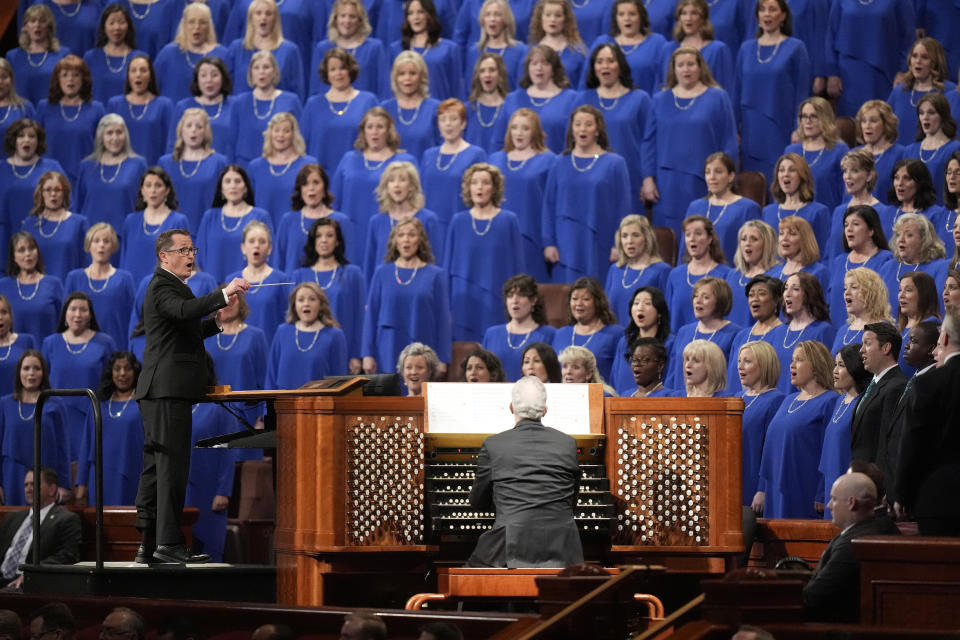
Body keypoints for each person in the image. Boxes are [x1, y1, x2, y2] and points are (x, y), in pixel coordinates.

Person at [134, 229, 250, 564]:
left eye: (193, 249)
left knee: (159, 468)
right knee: (170, 468)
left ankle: (151, 545)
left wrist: (217, 320)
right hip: (165, 390)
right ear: (163, 256)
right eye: (184, 250)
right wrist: (223, 292)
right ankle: (168, 543)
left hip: (165, 391)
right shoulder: (161, 286)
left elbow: (187, 328)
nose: (191, 255)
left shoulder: (173, 288)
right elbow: (184, 312)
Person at [466, 375, 583, 567]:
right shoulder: (568, 444)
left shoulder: (493, 445)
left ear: (511, 408)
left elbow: (478, 502)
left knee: (464, 585)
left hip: (509, 544)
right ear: (545, 411)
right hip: (564, 546)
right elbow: (572, 503)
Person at [642, 47, 737, 234]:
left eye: (691, 64)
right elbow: (649, 142)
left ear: (700, 68)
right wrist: (647, 178)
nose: (686, 69)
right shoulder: (660, 99)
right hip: (667, 184)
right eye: (681, 65)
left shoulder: (718, 97)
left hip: (705, 181)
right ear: (673, 69)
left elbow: (729, 140)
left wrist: (725, 178)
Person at [753, 340, 836, 519]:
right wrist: (762, 488)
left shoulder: (829, 401)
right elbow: (769, 449)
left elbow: (828, 450)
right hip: (776, 488)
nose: (791, 365)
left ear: (815, 366)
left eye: (799, 360)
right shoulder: (788, 400)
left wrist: (822, 492)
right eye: (792, 360)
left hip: (804, 487)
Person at [802, 472, 901, 622]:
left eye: (834, 499)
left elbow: (814, 598)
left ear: (851, 503)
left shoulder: (853, 544)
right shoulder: (880, 527)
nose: (828, 505)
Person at [896, 308, 960, 533]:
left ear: (944, 337)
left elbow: (914, 440)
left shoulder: (928, 382)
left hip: (938, 497)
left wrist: (902, 494)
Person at [361, 218, 451, 377]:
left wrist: (442, 358)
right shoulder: (382, 273)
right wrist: (367, 354)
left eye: (411, 234)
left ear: (421, 240)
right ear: (395, 241)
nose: (406, 239)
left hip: (423, 347)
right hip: (387, 348)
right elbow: (371, 315)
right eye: (401, 235)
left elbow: (443, 319)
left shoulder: (436, 275)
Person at [444, 164, 522, 342]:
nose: (479, 187)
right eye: (474, 182)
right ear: (468, 187)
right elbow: (447, 267)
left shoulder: (509, 220)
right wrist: (446, 307)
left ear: (494, 188)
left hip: (497, 300)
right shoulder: (458, 221)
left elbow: (518, 269)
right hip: (463, 302)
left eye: (485, 182)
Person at [332, 108, 420, 266]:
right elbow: (334, 201)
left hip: (387, 234)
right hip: (351, 234)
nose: (374, 132)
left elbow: (416, 201)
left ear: (388, 131)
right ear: (363, 131)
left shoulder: (405, 161)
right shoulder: (348, 159)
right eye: (370, 127)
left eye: (380, 127)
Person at [734, 0, 810, 180]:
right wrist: (734, 130)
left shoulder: (796, 48)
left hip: (780, 127)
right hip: (751, 129)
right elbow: (736, 91)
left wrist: (798, 128)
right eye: (762, 10)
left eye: (772, 9)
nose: (767, 14)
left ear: (783, 16)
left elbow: (802, 94)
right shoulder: (746, 48)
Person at [41, 291, 118, 458]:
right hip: (57, 418)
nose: (77, 314)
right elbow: (42, 384)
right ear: (65, 313)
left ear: (90, 315)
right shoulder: (50, 343)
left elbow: (113, 383)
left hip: (92, 417)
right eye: (73, 309)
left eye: (83, 309)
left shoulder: (105, 342)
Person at [580, 42, 651, 214]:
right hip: (591, 177)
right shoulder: (583, 99)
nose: (605, 66)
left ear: (620, 65)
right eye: (599, 61)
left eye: (610, 60)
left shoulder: (640, 99)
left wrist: (648, 178)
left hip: (631, 176)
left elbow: (649, 141)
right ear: (593, 67)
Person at [488, 108, 556, 282]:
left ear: (534, 132)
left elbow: (552, 202)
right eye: (515, 127)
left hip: (531, 236)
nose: (519, 133)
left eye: (525, 128)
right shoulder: (495, 159)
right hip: (498, 235)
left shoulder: (549, 160)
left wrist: (549, 241)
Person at [878, 321, 938, 508]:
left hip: (915, 493)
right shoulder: (914, 380)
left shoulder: (933, 384)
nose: (906, 345)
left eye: (912, 341)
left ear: (931, 349)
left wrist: (903, 492)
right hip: (894, 487)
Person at [291, 219, 365, 371]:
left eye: (329, 235)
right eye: (318, 236)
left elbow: (360, 317)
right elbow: (293, 318)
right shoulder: (299, 275)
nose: (324, 240)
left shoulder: (352, 274)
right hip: (307, 353)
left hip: (343, 352)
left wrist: (356, 355)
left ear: (337, 241)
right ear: (313, 241)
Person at [75, 351, 144, 507]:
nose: (122, 374)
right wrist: (81, 484)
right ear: (110, 373)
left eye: (127, 368)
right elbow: (86, 446)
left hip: (132, 475)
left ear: (135, 372)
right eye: (117, 369)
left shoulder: (143, 404)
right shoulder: (98, 404)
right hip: (99, 477)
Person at [824, 0, 915, 118]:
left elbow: (908, 36)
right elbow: (831, 34)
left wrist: (903, 70)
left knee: (879, 122)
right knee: (848, 125)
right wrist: (832, 73)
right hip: (848, 76)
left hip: (884, 75)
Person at [0, 351, 70, 506]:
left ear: (43, 373)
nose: (31, 373)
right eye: (26, 368)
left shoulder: (55, 404)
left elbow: (63, 447)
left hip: (45, 474)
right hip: (12, 475)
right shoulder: (4, 404)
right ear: (19, 372)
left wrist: (64, 484)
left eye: (36, 368)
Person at [420, 99, 488, 252]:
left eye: (453, 119)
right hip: (429, 229)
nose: (448, 124)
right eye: (443, 120)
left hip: (461, 227)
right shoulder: (428, 155)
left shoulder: (476, 154)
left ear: (463, 123)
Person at [302, 49, 378, 177]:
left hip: (359, 174)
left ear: (350, 70)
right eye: (332, 69)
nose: (338, 73)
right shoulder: (313, 104)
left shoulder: (368, 101)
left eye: (342, 68)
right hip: (320, 180)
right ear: (326, 73)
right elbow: (302, 145)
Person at [0, 468, 80, 588]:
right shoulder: (11, 518)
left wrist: (32, 572)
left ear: (52, 489)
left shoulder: (66, 519)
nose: (28, 489)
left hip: (28, 583)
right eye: (26, 485)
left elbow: (67, 556)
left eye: (33, 484)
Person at [362, 161, 440, 280]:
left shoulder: (428, 219)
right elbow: (370, 267)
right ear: (386, 187)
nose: (396, 185)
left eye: (402, 180)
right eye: (391, 180)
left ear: (411, 186)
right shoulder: (376, 222)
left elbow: (434, 262)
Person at [819, 344, 871, 521]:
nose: (835, 370)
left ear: (855, 367)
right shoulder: (839, 400)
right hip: (831, 484)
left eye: (841, 365)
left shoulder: (863, 403)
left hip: (850, 487)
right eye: (835, 364)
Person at [0, 119, 65, 260]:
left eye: (31, 136)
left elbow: (66, 202)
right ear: (14, 140)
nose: (26, 140)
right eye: (21, 136)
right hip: (4, 236)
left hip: (43, 235)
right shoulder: (1, 168)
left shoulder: (52, 167)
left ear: (38, 141)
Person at [196, 164, 273, 282]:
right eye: (227, 181)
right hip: (214, 291)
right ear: (221, 188)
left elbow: (269, 255)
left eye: (238, 181)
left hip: (247, 287)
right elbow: (199, 257)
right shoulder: (209, 217)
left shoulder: (260, 216)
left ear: (246, 187)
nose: (233, 186)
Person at [158, 108, 230, 234]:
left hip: (208, 231)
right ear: (181, 130)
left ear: (206, 131)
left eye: (199, 126)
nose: (193, 130)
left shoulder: (219, 162)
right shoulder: (165, 163)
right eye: (189, 125)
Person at [36, 56, 104, 185]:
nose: (70, 79)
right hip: (50, 182)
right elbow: (35, 145)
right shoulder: (44, 107)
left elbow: (104, 147)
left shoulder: (97, 109)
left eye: (76, 75)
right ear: (57, 80)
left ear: (84, 79)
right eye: (65, 75)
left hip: (86, 180)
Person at [265, 281, 348, 388]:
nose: (306, 303)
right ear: (294, 305)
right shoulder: (282, 331)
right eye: (301, 300)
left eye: (312, 299)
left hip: (319, 402)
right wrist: (269, 404)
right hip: (283, 402)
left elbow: (339, 381)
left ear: (321, 305)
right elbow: (271, 376)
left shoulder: (335, 335)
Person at [499, 45, 581, 154]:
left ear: (554, 69)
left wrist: (595, 157)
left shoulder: (571, 99)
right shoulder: (512, 99)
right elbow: (499, 141)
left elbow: (579, 144)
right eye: (534, 63)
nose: (539, 68)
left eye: (545, 63)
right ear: (528, 68)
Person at [75, 115, 149, 234]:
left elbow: (146, 204)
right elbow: (78, 204)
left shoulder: (138, 164)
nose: (115, 138)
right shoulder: (86, 165)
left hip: (125, 234)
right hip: (91, 238)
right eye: (109, 133)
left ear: (126, 135)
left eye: (119, 132)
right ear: (101, 136)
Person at [120, 167, 193, 285]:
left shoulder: (178, 221)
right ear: (142, 190)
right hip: (133, 285)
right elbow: (123, 259)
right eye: (148, 185)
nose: (153, 190)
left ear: (167, 190)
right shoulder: (131, 220)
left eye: (158, 185)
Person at [685, 152, 761, 263]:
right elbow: (684, 251)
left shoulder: (748, 208)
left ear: (730, 176)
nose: (712, 177)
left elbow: (757, 250)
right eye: (708, 172)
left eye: (718, 172)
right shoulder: (695, 207)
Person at [849, 322, 907, 467]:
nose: (861, 350)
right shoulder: (874, 382)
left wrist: (880, 483)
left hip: (875, 479)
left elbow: (887, 441)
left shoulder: (897, 386)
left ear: (886, 348)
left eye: (867, 344)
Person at [669, 276, 741, 390]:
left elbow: (733, 378)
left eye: (705, 297)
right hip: (680, 402)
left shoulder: (735, 334)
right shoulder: (684, 331)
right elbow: (672, 374)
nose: (698, 301)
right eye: (696, 296)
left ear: (720, 301)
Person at [276, 163, 349, 274]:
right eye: (305, 184)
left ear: (325, 188)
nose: (311, 188)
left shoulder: (341, 221)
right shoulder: (288, 220)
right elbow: (278, 263)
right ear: (300, 190)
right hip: (293, 289)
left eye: (316, 182)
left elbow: (348, 263)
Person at [246, 112, 317, 226]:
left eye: (286, 131)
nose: (281, 135)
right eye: (277, 130)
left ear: (294, 134)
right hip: (262, 235)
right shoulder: (255, 167)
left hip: (297, 229)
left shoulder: (308, 165)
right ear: (270, 133)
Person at [232, 52, 303, 166]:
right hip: (244, 165)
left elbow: (300, 137)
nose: (261, 72)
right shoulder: (239, 102)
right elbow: (231, 142)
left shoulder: (291, 100)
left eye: (266, 67)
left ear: (275, 72)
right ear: (251, 74)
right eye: (256, 68)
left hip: (282, 163)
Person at [482, 274, 556, 381]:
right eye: (510, 296)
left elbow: (554, 374)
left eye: (521, 295)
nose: (514, 301)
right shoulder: (492, 334)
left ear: (533, 300)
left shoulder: (549, 334)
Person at [226, 0, 304, 101]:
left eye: (268, 14)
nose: (263, 17)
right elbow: (226, 87)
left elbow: (297, 91)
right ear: (251, 18)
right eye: (258, 13)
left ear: (275, 19)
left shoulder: (290, 51)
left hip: (280, 114)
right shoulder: (236, 48)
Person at [226, 221, 289, 345]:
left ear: (270, 248)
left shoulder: (281, 280)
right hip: (239, 349)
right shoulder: (231, 280)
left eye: (262, 241)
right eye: (251, 241)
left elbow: (287, 321)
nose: (256, 245)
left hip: (270, 346)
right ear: (243, 248)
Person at [309, 0, 388, 99]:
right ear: (335, 19)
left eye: (352, 16)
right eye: (343, 16)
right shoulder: (322, 49)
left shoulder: (374, 48)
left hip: (367, 110)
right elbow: (316, 89)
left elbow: (384, 88)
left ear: (360, 20)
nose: (347, 21)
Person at [665, 215, 731, 332]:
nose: (692, 239)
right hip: (680, 344)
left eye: (698, 233)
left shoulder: (726, 274)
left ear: (709, 238)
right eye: (688, 234)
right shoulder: (675, 275)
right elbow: (667, 316)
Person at [736, 340, 783, 505]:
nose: (740, 366)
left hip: (753, 483)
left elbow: (771, 450)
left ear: (764, 365)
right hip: (731, 480)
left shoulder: (776, 400)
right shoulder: (736, 398)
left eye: (747, 361)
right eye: (739, 361)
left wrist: (763, 488)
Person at [154, 4, 230, 105]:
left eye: (202, 22)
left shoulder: (222, 54)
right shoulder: (168, 53)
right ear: (184, 25)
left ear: (209, 26)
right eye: (191, 22)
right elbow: (152, 87)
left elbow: (229, 90)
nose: (196, 27)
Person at [827, 152, 896, 263]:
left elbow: (885, 252)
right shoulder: (838, 211)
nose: (847, 176)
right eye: (845, 171)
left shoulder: (884, 212)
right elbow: (830, 253)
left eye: (855, 170)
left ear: (869, 176)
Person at [21, 171, 89, 282]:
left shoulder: (79, 223)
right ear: (41, 193)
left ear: (65, 193)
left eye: (58, 190)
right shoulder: (29, 224)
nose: (53, 194)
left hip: (69, 291)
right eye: (48, 190)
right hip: (37, 291)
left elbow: (87, 263)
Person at [588, 0, 666, 96]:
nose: (627, 18)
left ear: (641, 16)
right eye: (621, 14)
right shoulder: (602, 42)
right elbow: (587, 80)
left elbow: (664, 81)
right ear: (615, 18)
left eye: (632, 14)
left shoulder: (657, 43)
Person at [783, 97, 849, 211]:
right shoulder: (791, 151)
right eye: (804, 116)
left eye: (814, 116)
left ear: (826, 119)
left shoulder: (840, 151)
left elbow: (847, 192)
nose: (808, 121)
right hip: (794, 220)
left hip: (829, 217)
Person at [603, 215, 670, 327]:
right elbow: (606, 311)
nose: (629, 241)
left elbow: (666, 314)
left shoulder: (661, 271)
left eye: (635, 235)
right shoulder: (615, 270)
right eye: (624, 236)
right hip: (615, 339)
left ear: (646, 238)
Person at [107, 55, 174, 165]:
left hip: (154, 172)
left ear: (150, 75)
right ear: (128, 75)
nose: (138, 75)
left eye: (143, 70)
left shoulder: (164, 105)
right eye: (133, 71)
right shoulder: (115, 105)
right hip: (122, 171)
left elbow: (170, 144)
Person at [390, 0, 463, 101]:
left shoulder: (449, 49)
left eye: (420, 12)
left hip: (442, 112)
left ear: (429, 15)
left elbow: (458, 89)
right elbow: (390, 90)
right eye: (411, 13)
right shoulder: (396, 49)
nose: (416, 17)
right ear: (407, 18)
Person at [169, 57, 237, 164]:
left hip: (227, 171)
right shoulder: (183, 106)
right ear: (197, 79)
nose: (209, 80)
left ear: (223, 78)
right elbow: (172, 144)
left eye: (214, 75)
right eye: (203, 75)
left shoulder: (235, 105)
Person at [887, 38, 955, 146]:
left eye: (925, 57)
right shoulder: (899, 92)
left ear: (935, 62)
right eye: (915, 56)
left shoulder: (949, 91)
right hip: (901, 160)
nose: (918, 61)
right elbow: (886, 129)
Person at [724, 274, 785, 394]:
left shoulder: (784, 334)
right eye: (751, 295)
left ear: (776, 300)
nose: (754, 299)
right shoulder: (741, 336)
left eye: (762, 294)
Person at [773, 272, 833, 392]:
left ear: (809, 295)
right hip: (779, 405)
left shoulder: (822, 330)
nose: (787, 294)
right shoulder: (778, 331)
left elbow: (827, 374)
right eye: (785, 289)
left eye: (795, 289)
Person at [552, 277, 621, 381]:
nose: (579, 303)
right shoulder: (560, 334)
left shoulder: (615, 334)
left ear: (598, 302)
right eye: (574, 299)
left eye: (585, 299)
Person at [879, 213, 949, 315]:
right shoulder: (887, 267)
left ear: (924, 239)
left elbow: (942, 307)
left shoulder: (941, 268)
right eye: (898, 234)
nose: (901, 240)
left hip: (925, 328)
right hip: (888, 330)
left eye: (909, 235)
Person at [660, 0, 735, 94]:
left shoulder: (718, 50)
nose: (688, 18)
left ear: (703, 18)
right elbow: (662, 87)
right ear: (679, 18)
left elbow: (727, 89)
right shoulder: (668, 49)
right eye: (684, 13)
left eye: (694, 13)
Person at [608, 285, 672, 394]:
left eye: (647, 303)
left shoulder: (670, 343)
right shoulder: (624, 342)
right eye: (636, 303)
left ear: (659, 312)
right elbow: (614, 380)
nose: (640, 308)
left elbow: (672, 380)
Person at [0, 233, 64, 343]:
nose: (28, 254)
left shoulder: (54, 284)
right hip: (12, 356)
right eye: (21, 250)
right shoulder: (3, 285)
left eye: (32, 248)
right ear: (14, 257)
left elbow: (64, 324)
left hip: (45, 356)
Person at [761, 153, 830, 253]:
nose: (786, 174)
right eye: (781, 170)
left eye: (792, 170)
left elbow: (823, 253)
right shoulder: (768, 211)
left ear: (802, 176)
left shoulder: (818, 212)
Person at [381, 51, 441, 160]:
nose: (407, 78)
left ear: (421, 76)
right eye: (401, 74)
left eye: (412, 73)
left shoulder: (435, 108)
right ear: (395, 77)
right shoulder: (385, 109)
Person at [7, 5, 71, 106]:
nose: (37, 25)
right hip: (22, 113)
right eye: (32, 21)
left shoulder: (62, 54)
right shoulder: (12, 56)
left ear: (49, 26)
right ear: (25, 26)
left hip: (52, 110)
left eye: (42, 21)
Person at [84, 4, 146, 105]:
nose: (117, 27)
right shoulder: (90, 57)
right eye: (111, 23)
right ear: (104, 27)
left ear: (128, 26)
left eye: (121, 22)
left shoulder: (139, 58)